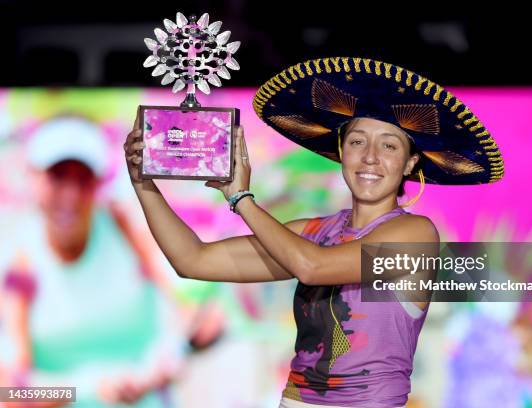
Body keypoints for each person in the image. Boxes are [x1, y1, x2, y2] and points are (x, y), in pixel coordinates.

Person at [125, 57, 504, 408]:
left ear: (409, 163)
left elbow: (314, 268)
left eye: (388, 146)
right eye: (357, 141)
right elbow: (193, 260)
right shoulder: (312, 232)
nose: (370, 157)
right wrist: (143, 182)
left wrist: (240, 198)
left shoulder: (417, 234)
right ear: (342, 151)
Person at [1, 116, 188, 407]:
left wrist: (163, 363)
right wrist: (89, 388)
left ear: (98, 182)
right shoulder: (19, 261)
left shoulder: (124, 226)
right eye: (58, 176)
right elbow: (11, 394)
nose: (71, 195)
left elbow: (184, 304)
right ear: (34, 178)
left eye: (82, 179)